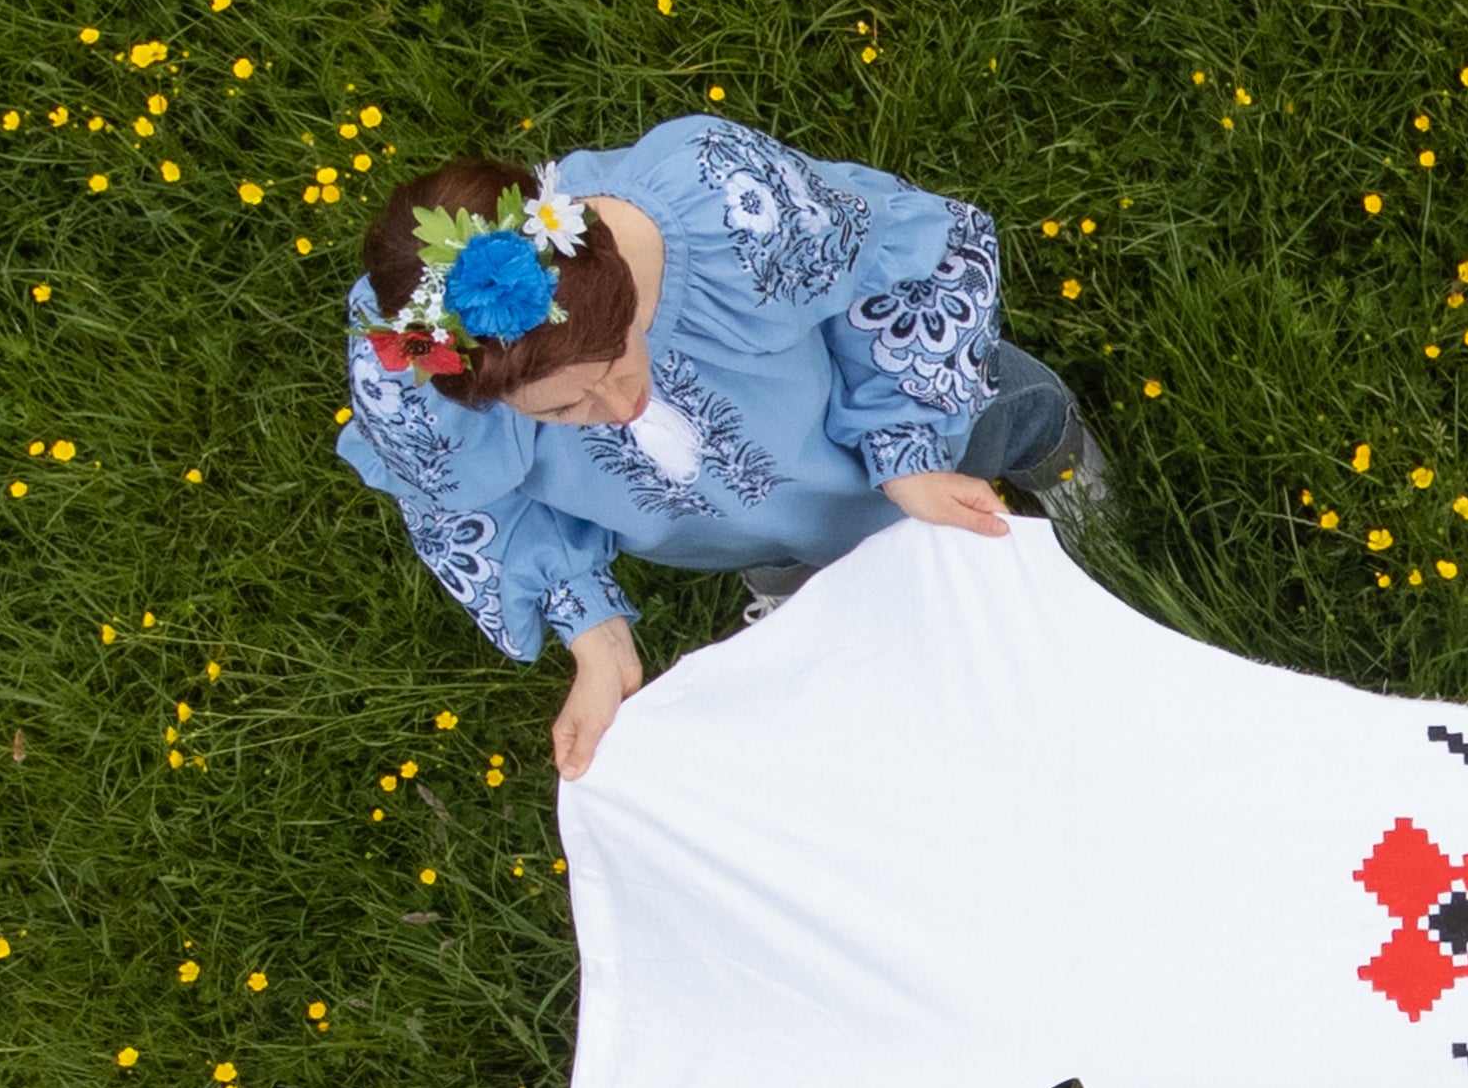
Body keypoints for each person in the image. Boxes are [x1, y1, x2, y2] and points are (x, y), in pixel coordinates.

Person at [332, 120, 1102, 777]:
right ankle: (807, 571)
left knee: (1006, 413)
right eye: (566, 408)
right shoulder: (412, 380)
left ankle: (1060, 461)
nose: (623, 405)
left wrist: (905, 451)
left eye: (623, 354)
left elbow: (895, 274)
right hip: (715, 520)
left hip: (869, 422)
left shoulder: (727, 204)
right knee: (776, 533)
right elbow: (463, 496)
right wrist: (591, 631)